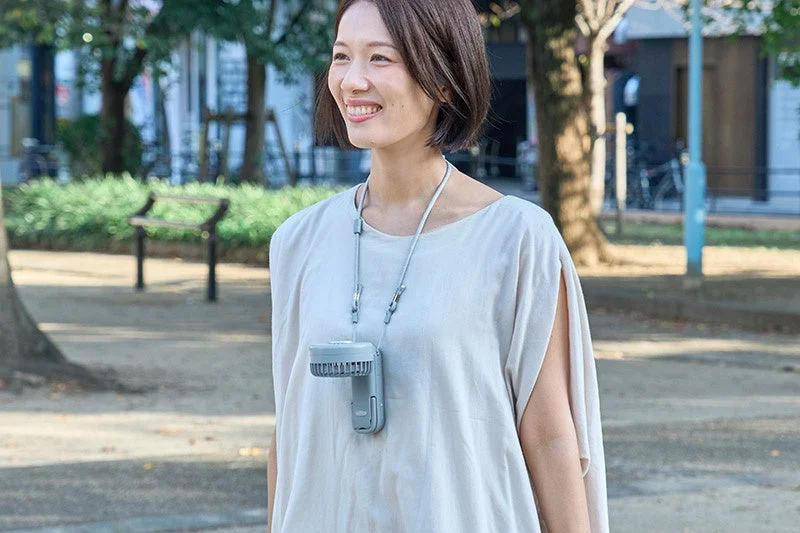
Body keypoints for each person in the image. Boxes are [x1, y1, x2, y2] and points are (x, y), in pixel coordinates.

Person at [267, 0, 608, 531]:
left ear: (444, 80)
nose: (352, 81)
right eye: (341, 57)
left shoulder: (517, 239)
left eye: (380, 59)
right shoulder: (298, 242)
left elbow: (550, 435)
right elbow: (289, 432)